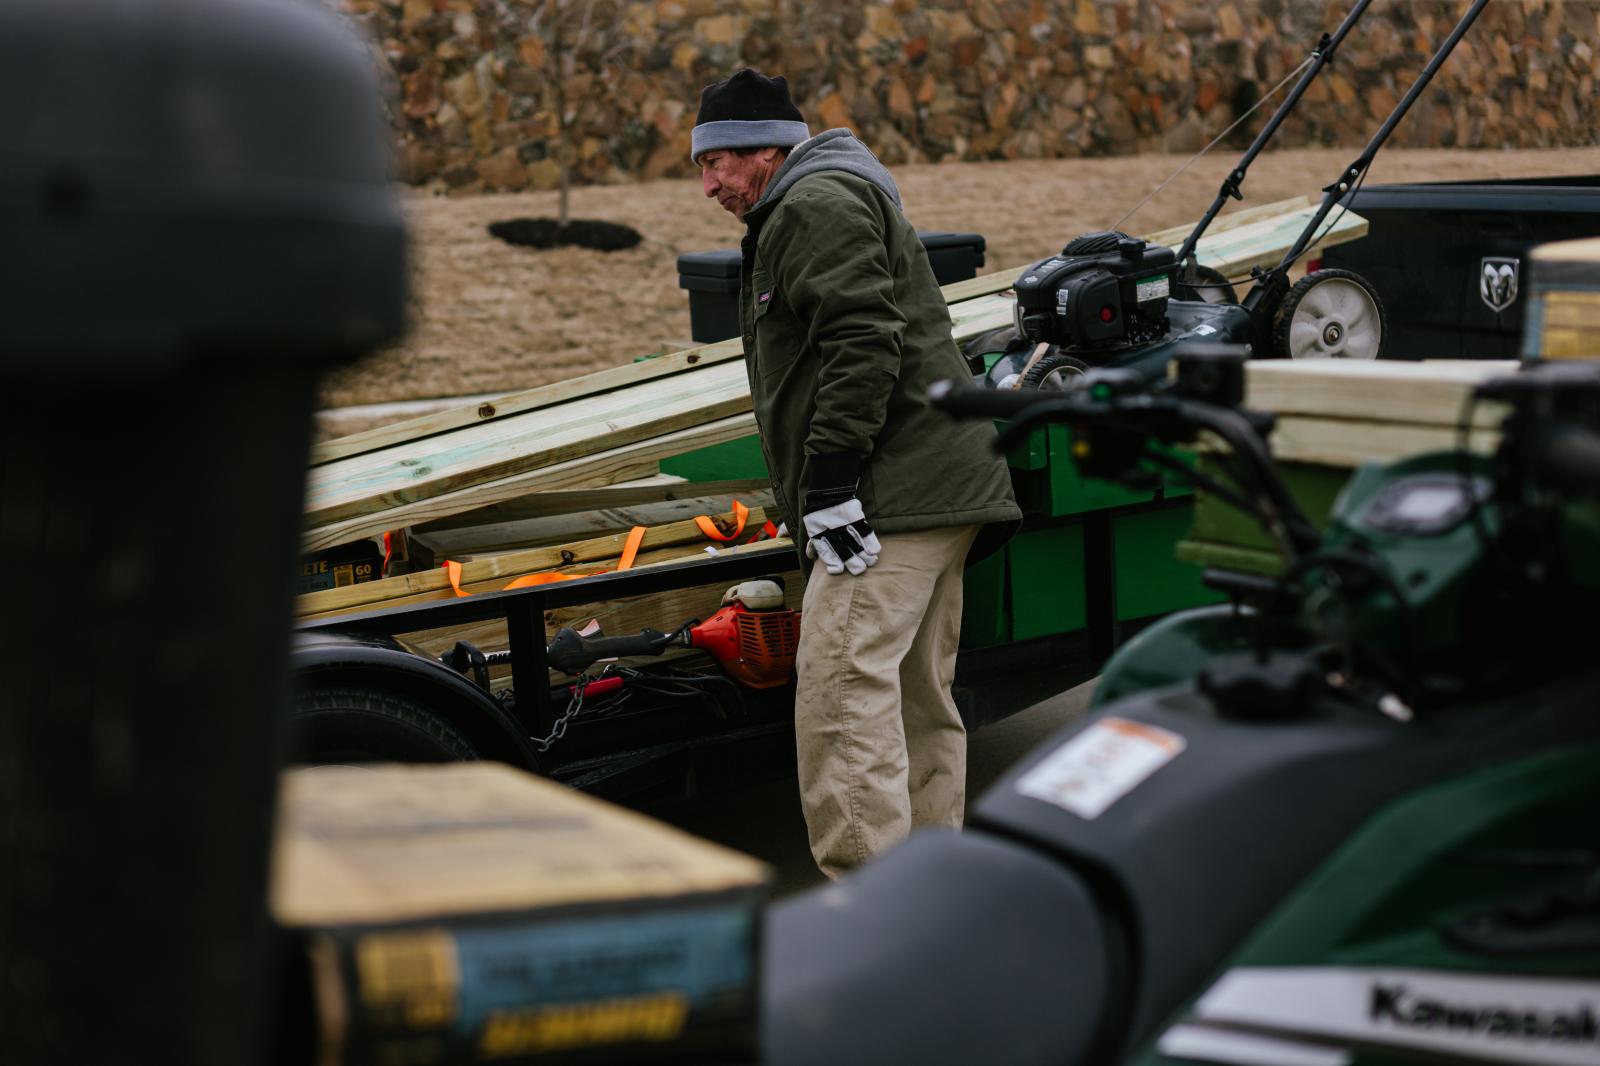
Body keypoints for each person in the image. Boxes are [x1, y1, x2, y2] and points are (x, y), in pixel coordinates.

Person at [692, 68, 1021, 879]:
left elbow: (862, 340)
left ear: (762, 150)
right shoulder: (820, 195)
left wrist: (832, 480)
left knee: (841, 699)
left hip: (894, 493)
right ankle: (931, 898)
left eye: (716, 165)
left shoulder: (812, 204)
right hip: (932, 484)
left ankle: (870, 913)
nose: (708, 186)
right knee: (913, 699)